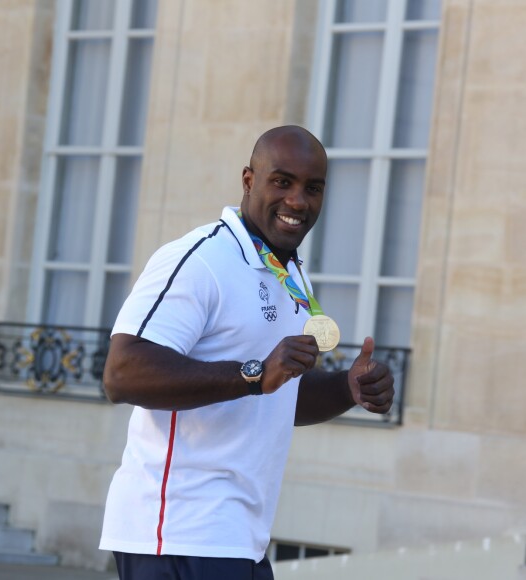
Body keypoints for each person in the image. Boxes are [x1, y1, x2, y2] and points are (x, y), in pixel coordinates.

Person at [99, 125, 394, 580]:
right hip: (175, 531)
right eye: (282, 181)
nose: (298, 200)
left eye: (312, 188)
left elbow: (276, 397)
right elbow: (122, 373)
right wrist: (254, 373)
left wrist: (346, 388)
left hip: (240, 536)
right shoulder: (200, 259)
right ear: (248, 180)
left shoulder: (291, 277)